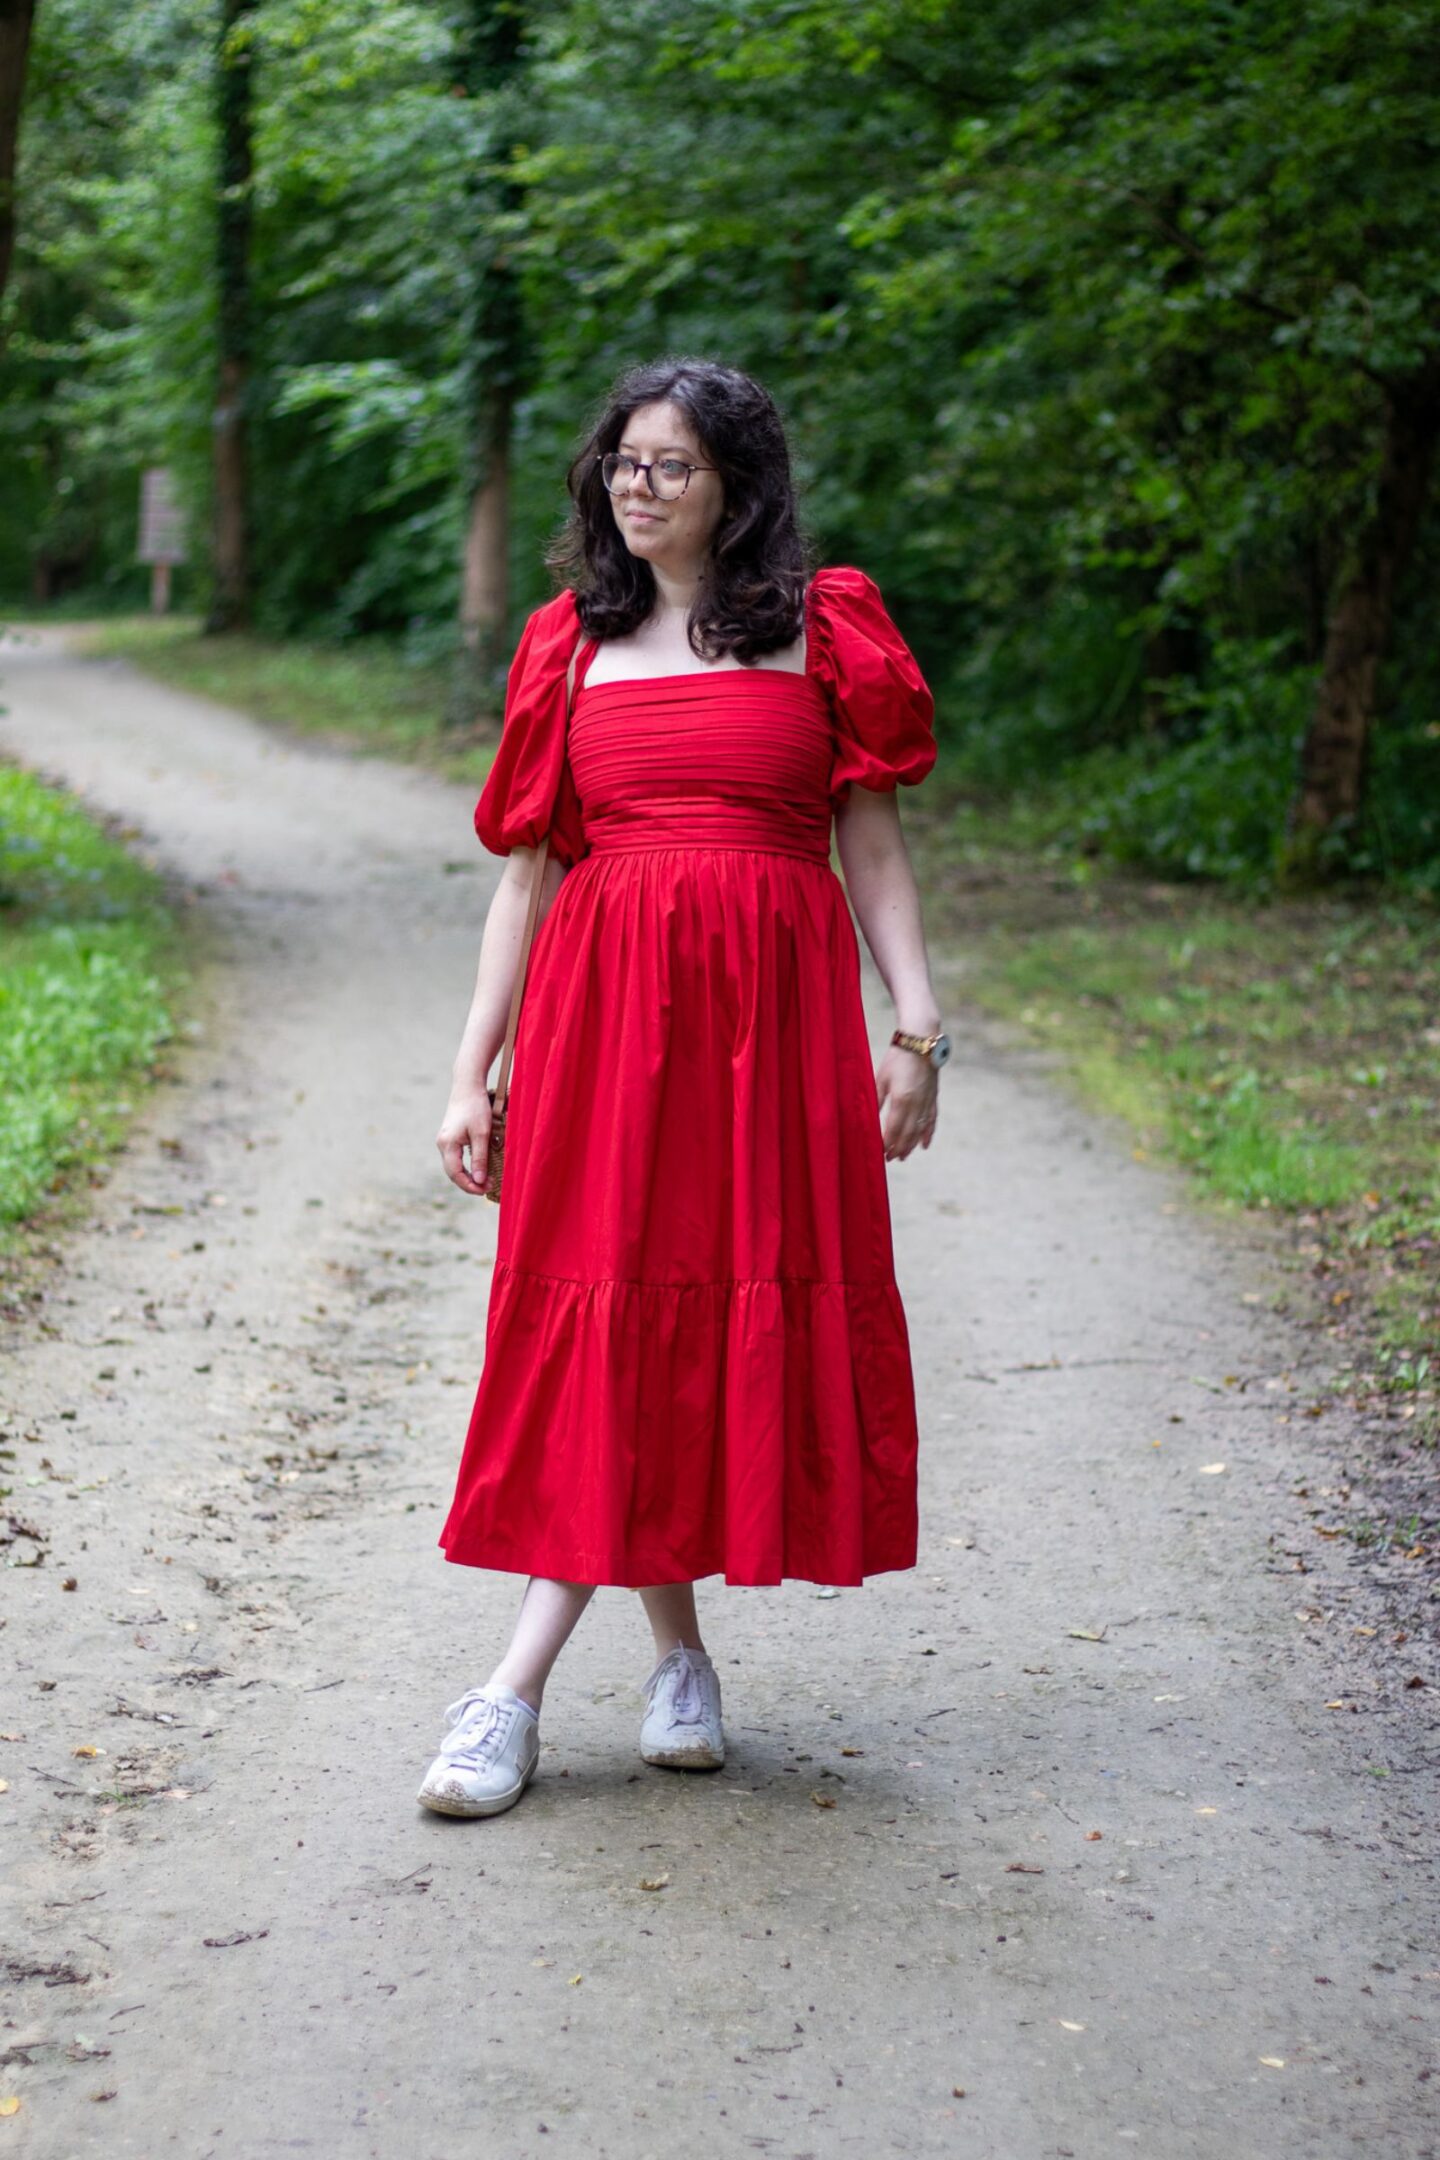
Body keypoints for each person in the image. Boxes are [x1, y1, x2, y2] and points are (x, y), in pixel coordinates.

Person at [418, 356, 950, 1820]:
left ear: (738, 490)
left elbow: (876, 852)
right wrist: (474, 1074)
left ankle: (604, 1679)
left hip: (770, 1035)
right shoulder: (563, 649)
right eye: (624, 465)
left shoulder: (825, 635)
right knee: (614, 1321)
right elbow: (522, 885)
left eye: (672, 468)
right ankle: (544, 1685)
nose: (636, 489)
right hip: (603, 1035)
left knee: (701, 1314)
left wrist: (916, 1030)